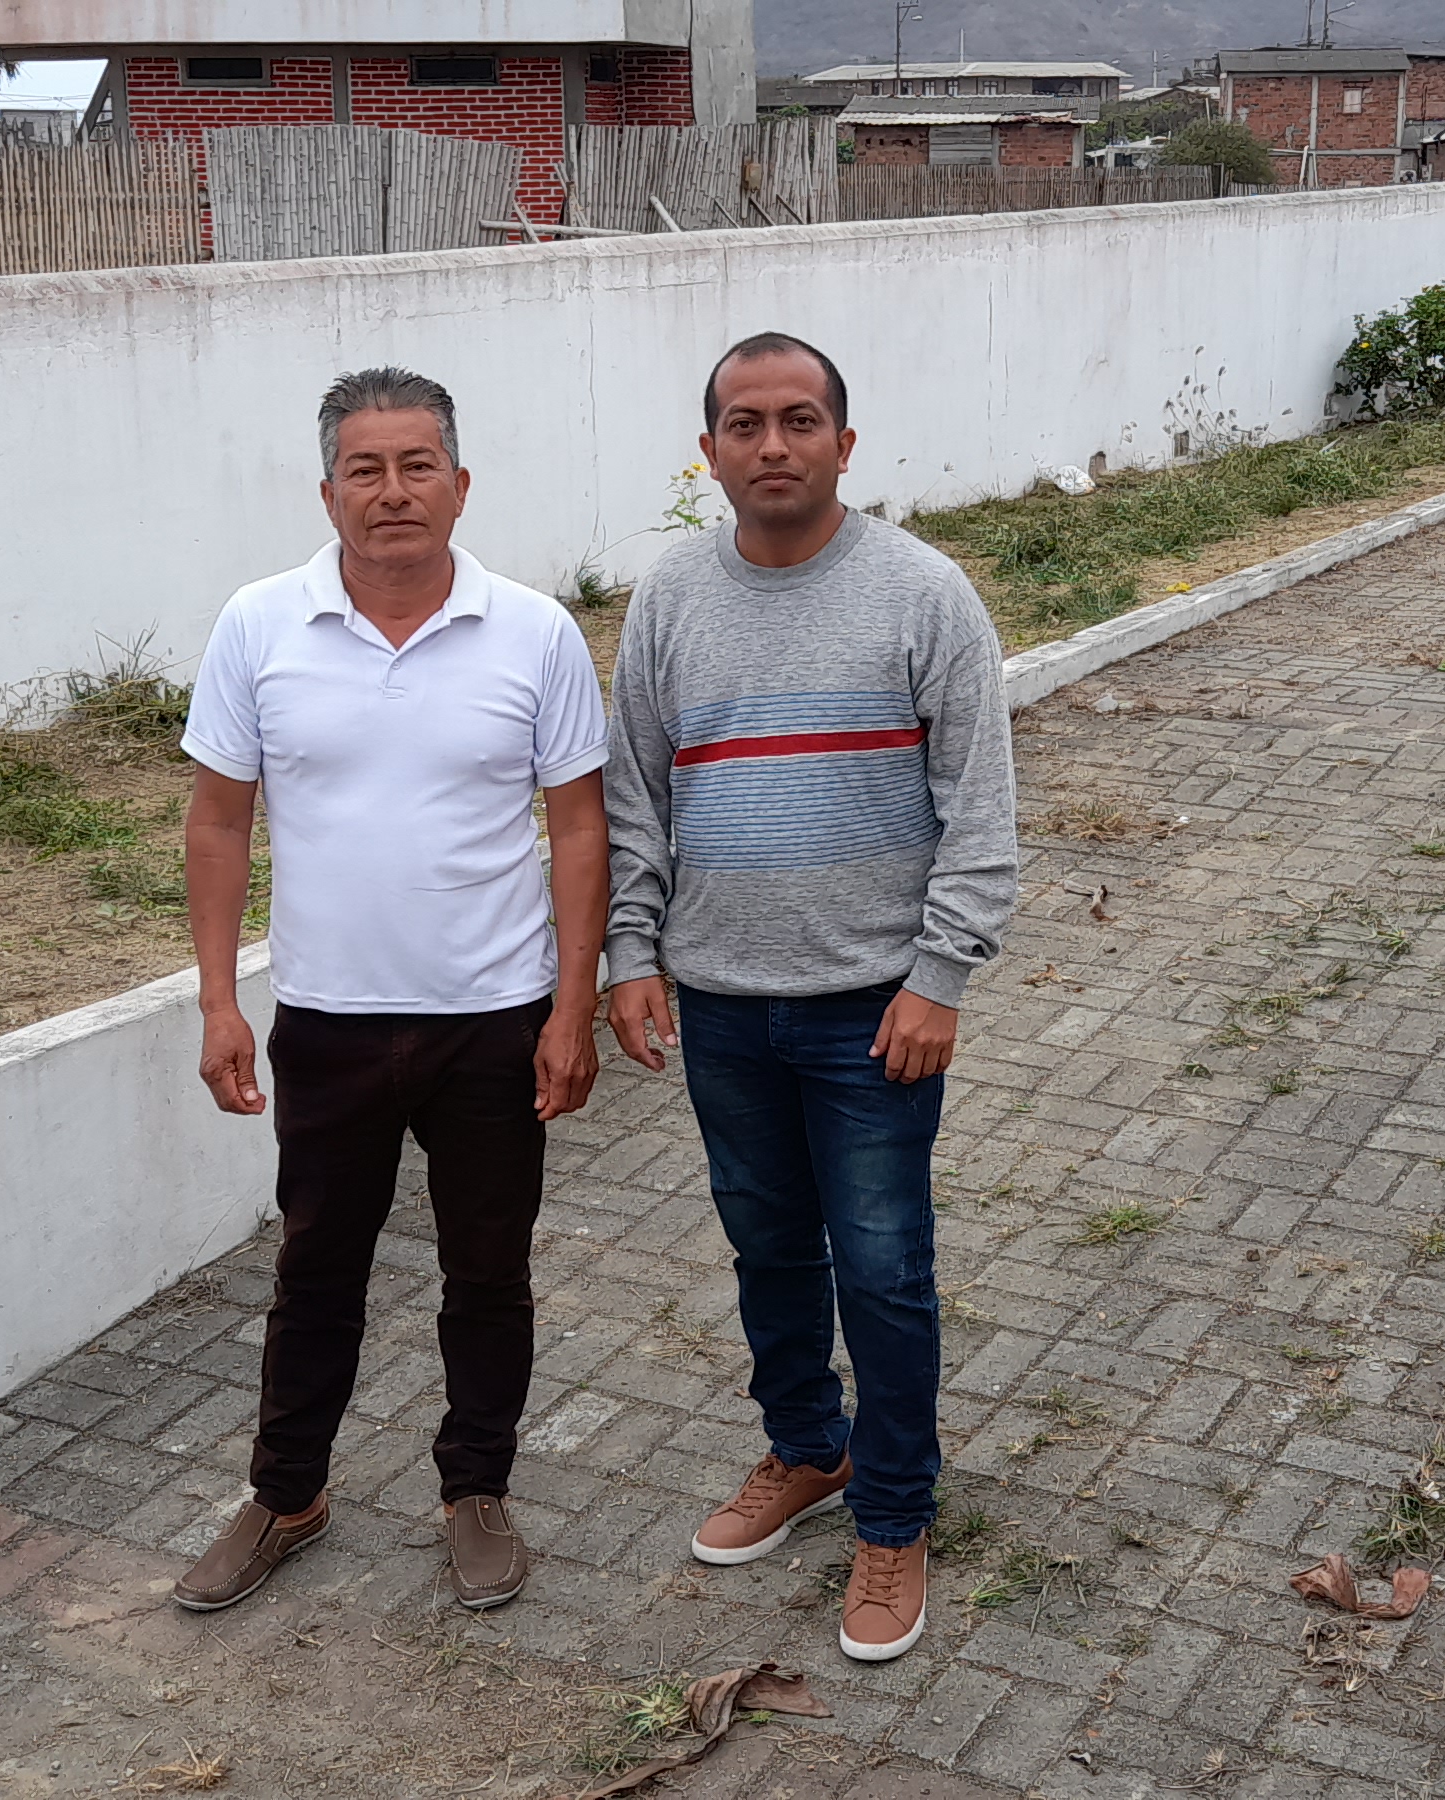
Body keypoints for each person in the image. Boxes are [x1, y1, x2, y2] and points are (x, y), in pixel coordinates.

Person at [602, 332, 1019, 1663]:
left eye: (797, 420)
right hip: (722, 1006)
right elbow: (634, 797)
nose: (771, 444)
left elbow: (980, 811)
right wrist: (629, 953)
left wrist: (939, 978)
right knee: (768, 1248)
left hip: (873, 1012)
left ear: (844, 442)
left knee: (886, 1273)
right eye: (744, 423)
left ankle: (893, 1515)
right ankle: (807, 1449)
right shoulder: (670, 597)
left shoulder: (922, 592)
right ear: (709, 451)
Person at [170, 367, 609, 1617]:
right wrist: (218, 1001)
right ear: (328, 493)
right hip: (329, 1020)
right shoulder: (260, 623)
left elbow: (579, 827)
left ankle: (476, 1490)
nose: (393, 491)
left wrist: (570, 1007)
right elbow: (217, 821)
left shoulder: (534, 631)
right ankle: (286, 1494)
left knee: (488, 1271)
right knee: (316, 1269)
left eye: (418, 466)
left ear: (460, 485)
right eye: (364, 469)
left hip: (494, 1019)